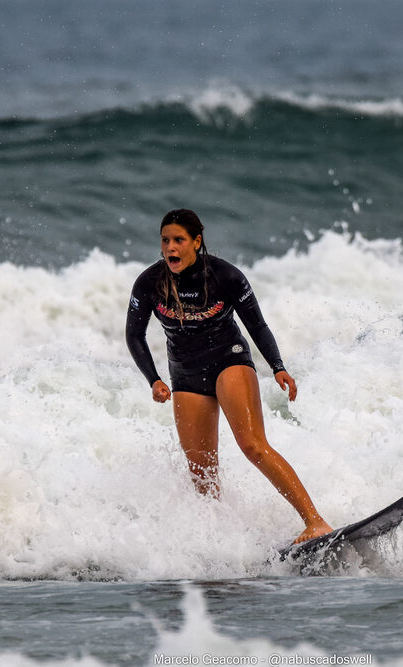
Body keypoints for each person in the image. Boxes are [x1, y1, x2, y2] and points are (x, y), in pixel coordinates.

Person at [125, 209, 332, 544]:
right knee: (202, 476)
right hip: (185, 373)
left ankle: (315, 522)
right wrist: (154, 379)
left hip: (228, 360)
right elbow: (134, 335)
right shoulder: (150, 282)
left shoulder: (225, 276)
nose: (170, 247)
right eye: (165, 240)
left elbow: (257, 326)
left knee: (252, 445)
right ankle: (224, 546)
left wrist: (278, 366)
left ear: (196, 241)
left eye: (179, 240)